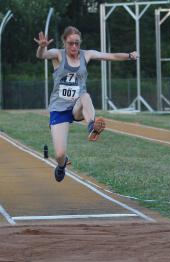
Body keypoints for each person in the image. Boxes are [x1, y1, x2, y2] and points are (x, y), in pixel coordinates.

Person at [34, 26, 138, 182]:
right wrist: (42, 47)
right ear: (64, 43)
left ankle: (92, 126)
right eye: (70, 43)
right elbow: (42, 55)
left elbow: (110, 56)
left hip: (77, 106)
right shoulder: (58, 55)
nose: (74, 47)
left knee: (85, 95)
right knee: (59, 154)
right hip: (59, 109)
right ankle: (61, 165)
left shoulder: (86, 55)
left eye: (77, 43)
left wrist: (129, 55)